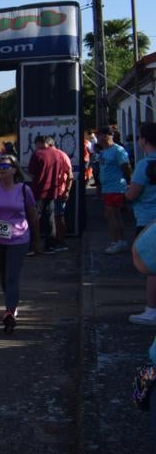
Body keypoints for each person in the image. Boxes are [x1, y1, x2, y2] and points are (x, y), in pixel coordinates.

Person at [0, 156, 40, 333]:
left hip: (19, 238)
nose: (1, 169)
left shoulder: (24, 189)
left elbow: (33, 215)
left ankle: (9, 311)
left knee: (12, 275)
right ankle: (11, 303)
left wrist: (37, 239)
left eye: (5, 166)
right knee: (4, 274)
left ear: (14, 169)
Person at [126, 122, 156, 326]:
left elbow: (132, 193)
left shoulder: (145, 165)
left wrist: (126, 194)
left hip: (147, 220)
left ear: (144, 140)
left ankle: (151, 310)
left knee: (152, 268)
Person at [28, 135, 72, 254]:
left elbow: (32, 174)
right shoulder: (59, 154)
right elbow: (67, 173)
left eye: (36, 143)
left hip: (38, 190)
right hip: (53, 191)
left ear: (42, 143)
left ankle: (34, 246)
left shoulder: (37, 154)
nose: (35, 146)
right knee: (50, 218)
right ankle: (50, 245)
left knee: (34, 218)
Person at [95, 126, 132, 254]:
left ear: (106, 136)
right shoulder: (103, 151)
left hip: (115, 187)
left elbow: (126, 167)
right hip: (107, 188)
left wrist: (129, 183)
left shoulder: (118, 150)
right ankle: (121, 241)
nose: (97, 137)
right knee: (114, 215)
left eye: (99, 134)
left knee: (111, 215)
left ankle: (116, 242)